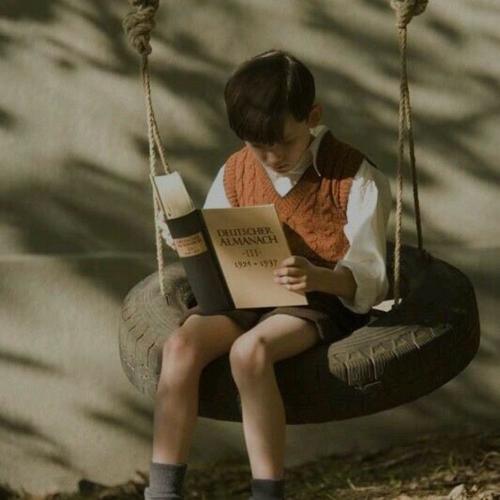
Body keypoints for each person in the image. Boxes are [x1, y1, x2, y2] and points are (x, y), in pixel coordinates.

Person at [146, 49, 392, 500]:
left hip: (317, 300)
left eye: (285, 142)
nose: (272, 157)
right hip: (246, 290)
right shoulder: (238, 168)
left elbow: (371, 275)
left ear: (312, 117)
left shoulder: (354, 176)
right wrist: (186, 238)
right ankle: (162, 493)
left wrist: (318, 278)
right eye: (258, 146)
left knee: (250, 352)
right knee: (179, 347)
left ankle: (267, 493)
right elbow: (219, 237)